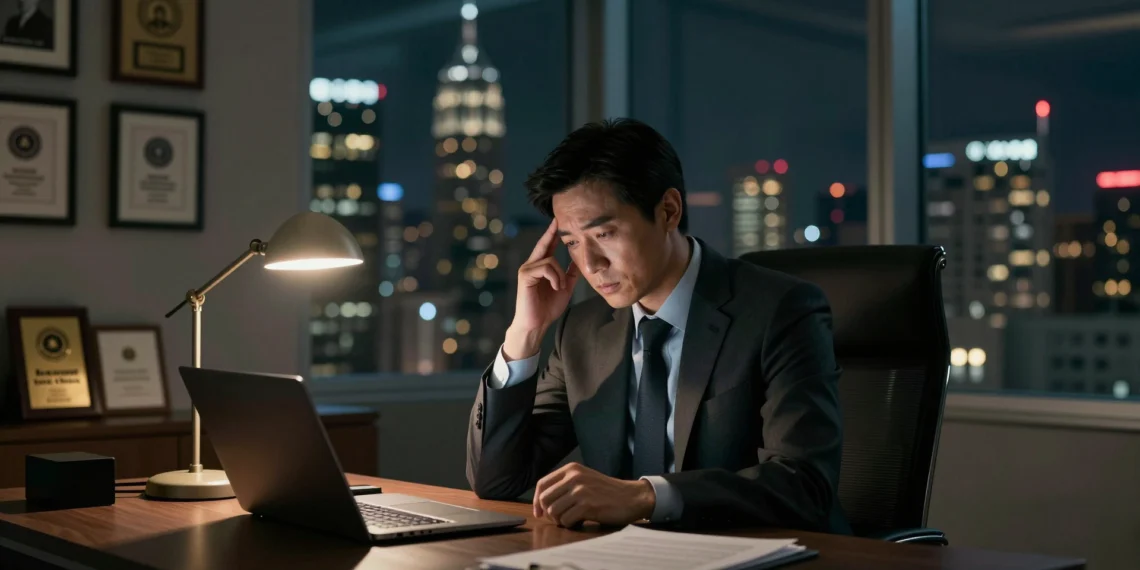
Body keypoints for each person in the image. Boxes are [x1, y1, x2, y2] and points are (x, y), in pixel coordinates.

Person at [466, 118, 850, 534]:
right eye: (573, 242)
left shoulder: (780, 310)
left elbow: (805, 486)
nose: (591, 264)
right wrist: (523, 334)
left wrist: (645, 496)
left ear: (668, 210)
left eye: (605, 233)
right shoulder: (580, 330)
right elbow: (498, 480)